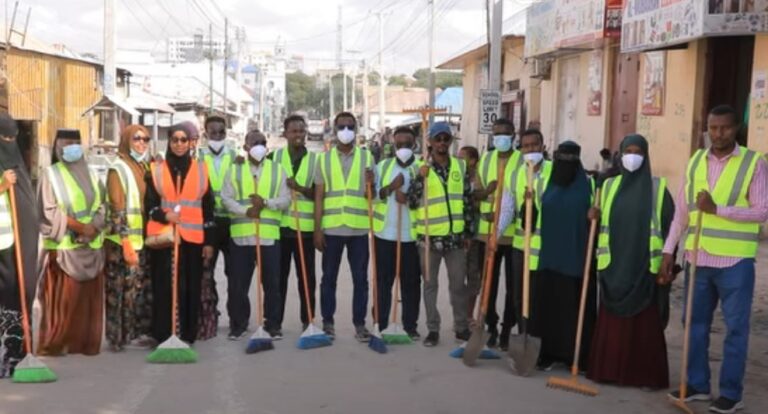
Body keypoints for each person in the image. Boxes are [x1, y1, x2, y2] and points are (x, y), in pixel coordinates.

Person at [662, 105, 768, 413]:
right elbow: (682, 212)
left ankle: (731, 394)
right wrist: (670, 250)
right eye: (713, 128)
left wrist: (718, 210)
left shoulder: (754, 163)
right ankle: (697, 384)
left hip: (736, 262)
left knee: (735, 329)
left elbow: (762, 211)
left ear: (737, 128)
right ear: (706, 128)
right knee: (693, 323)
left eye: (725, 128)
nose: (718, 134)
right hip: (699, 257)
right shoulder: (696, 161)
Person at [586, 134, 674, 389]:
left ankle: (644, 376)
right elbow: (599, 222)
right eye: (628, 151)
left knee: (644, 325)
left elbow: (670, 227)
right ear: (620, 155)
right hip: (614, 266)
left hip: (644, 268)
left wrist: (669, 262)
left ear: (645, 156)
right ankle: (608, 371)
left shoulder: (658, 189)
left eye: (638, 151)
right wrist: (592, 216)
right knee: (613, 325)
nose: (632, 156)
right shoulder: (609, 186)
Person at [513, 141, 596, 370]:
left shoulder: (588, 186)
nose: (565, 164)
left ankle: (573, 354)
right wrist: (528, 205)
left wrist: (593, 216)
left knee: (571, 309)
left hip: (575, 259)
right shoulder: (548, 184)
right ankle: (546, 353)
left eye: (571, 159)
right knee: (547, 308)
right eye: (562, 158)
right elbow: (532, 217)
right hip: (548, 258)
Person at [37, 129, 106, 356]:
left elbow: (102, 205)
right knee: (62, 303)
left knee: (86, 303)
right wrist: (79, 227)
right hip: (65, 249)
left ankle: (83, 344)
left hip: (91, 247)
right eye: (67, 142)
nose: (73, 146)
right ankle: (57, 345)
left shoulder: (94, 174)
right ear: (57, 146)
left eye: (77, 142)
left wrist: (93, 227)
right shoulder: (51, 175)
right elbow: (48, 210)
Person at [145, 124, 215, 344]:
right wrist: (165, 216)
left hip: (192, 240)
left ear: (190, 143)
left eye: (183, 140)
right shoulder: (156, 170)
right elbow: (149, 206)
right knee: (165, 287)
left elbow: (208, 208)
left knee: (190, 287)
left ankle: (187, 334)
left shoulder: (201, 170)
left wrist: (209, 242)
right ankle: (164, 334)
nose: (179, 144)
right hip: (165, 238)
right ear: (169, 142)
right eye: (175, 140)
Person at [407, 122, 473, 347]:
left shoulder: (460, 167)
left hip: (455, 238)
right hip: (428, 238)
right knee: (430, 285)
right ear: (430, 142)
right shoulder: (419, 168)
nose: (442, 143)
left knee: (458, 285)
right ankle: (432, 329)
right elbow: (412, 202)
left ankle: (461, 327)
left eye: (446, 139)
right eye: (438, 139)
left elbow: (467, 200)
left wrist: (468, 232)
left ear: (451, 141)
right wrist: (419, 179)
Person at [221, 130, 289, 339]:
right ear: (246, 146)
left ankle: (273, 325)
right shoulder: (235, 170)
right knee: (238, 285)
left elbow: (286, 199)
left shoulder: (278, 170)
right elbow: (226, 198)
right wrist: (246, 211)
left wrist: (266, 203)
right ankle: (239, 324)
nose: (259, 146)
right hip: (242, 237)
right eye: (254, 142)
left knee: (272, 284)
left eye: (262, 142)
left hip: (268, 237)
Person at [314, 112, 375, 342]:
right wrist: (317, 230)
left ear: (356, 130)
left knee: (361, 279)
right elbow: (319, 197)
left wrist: (372, 183)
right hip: (332, 229)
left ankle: (360, 324)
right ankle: (327, 323)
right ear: (335, 129)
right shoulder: (324, 159)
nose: (346, 131)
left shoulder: (368, 158)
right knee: (328, 278)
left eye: (350, 127)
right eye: (342, 127)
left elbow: (374, 196)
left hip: (359, 230)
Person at [496, 129, 551, 363]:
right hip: (521, 246)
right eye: (526, 146)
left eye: (534, 145)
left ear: (543, 146)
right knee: (520, 298)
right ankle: (523, 339)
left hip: (547, 248)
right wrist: (496, 233)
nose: (530, 150)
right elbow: (508, 207)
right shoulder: (516, 174)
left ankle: (544, 345)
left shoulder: (553, 171)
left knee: (542, 299)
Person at [473, 118, 522, 349]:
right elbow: (477, 194)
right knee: (489, 285)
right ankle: (490, 326)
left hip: (514, 235)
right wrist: (487, 193)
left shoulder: (522, 161)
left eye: (505, 133)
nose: (500, 137)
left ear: (514, 135)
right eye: (497, 134)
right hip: (487, 234)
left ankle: (507, 329)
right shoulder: (486, 159)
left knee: (513, 287)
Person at [104, 125, 153, 352]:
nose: (141, 143)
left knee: (134, 290)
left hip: (139, 240)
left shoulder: (143, 167)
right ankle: (116, 338)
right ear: (126, 141)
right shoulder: (118, 169)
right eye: (137, 139)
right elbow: (117, 209)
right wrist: (125, 243)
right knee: (118, 291)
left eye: (145, 139)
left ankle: (131, 333)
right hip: (121, 242)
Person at [373, 126, 422, 339]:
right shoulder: (383, 167)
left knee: (411, 283)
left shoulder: (421, 168)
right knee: (383, 282)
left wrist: (409, 199)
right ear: (393, 144)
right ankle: (380, 322)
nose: (403, 147)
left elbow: (426, 200)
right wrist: (391, 187)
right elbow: (374, 196)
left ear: (415, 144)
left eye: (407, 144)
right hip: (385, 235)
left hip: (411, 235)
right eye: (399, 144)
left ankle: (410, 326)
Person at [0, 113, 38, 377]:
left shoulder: (19, 169)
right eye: (3, 138)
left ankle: (17, 354)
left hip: (15, 246)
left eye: (12, 138)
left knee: (19, 292)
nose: (8, 142)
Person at [274, 115, 318, 332]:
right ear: (286, 134)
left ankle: (308, 320)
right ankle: (275, 322)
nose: (298, 135)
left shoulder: (315, 160)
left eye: (302, 131)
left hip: (305, 230)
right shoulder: (274, 158)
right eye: (294, 131)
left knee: (307, 280)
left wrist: (300, 188)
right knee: (277, 280)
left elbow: (319, 194)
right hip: (281, 229)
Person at [198, 116, 235, 340]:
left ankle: (235, 316)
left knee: (235, 274)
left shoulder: (236, 156)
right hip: (208, 222)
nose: (218, 136)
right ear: (206, 134)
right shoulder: (198, 157)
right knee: (207, 272)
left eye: (221, 132)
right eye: (213, 133)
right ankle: (210, 313)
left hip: (231, 221)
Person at [458, 145, 482, 321]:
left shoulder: (479, 179)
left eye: (463, 158)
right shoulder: (458, 178)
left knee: (474, 277)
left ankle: (469, 315)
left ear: (473, 161)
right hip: (463, 234)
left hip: (479, 233)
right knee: (460, 277)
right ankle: (461, 316)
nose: (459, 161)